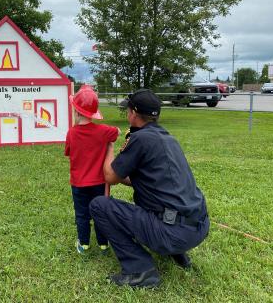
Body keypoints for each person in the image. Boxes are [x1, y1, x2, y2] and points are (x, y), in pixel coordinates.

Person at [89, 89, 209, 288]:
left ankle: (140, 271)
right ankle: (177, 253)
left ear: (133, 113)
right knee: (163, 206)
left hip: (172, 233)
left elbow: (110, 176)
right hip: (199, 227)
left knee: (99, 206)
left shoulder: (140, 139)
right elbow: (146, 181)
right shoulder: (168, 139)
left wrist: (108, 146)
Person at [65, 85, 120, 254]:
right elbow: (116, 132)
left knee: (82, 215)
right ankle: (103, 245)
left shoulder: (71, 133)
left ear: (76, 111)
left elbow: (68, 152)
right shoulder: (103, 131)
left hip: (78, 184)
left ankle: (84, 244)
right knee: (100, 212)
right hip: (99, 183)